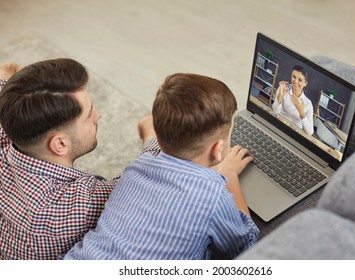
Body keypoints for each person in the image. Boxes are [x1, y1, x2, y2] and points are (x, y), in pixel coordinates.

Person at [64, 73, 260, 260]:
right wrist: (230, 176)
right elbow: (245, 247)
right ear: (217, 149)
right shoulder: (213, 195)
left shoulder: (136, 167)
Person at [0, 59, 158, 260]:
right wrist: (150, 128)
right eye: (89, 115)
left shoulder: (7, 127)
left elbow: (5, 71)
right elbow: (147, 178)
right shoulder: (79, 204)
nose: (98, 115)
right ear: (60, 145)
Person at [272, 65, 314, 135]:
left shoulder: (308, 103)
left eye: (300, 80)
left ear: (305, 84)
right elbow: (275, 111)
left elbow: (310, 132)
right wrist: (280, 96)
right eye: (294, 77)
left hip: (293, 135)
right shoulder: (283, 89)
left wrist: (301, 112)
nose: (296, 81)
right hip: (278, 126)